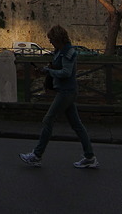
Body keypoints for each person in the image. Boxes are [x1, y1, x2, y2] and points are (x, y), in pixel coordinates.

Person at [19, 25, 98, 169]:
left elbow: (66, 72)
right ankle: (89, 156)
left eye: (51, 39)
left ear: (58, 38)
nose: (50, 42)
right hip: (65, 91)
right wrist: (44, 71)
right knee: (77, 125)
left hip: (67, 92)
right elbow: (56, 69)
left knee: (48, 119)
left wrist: (49, 71)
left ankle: (36, 155)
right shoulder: (59, 52)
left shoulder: (69, 52)